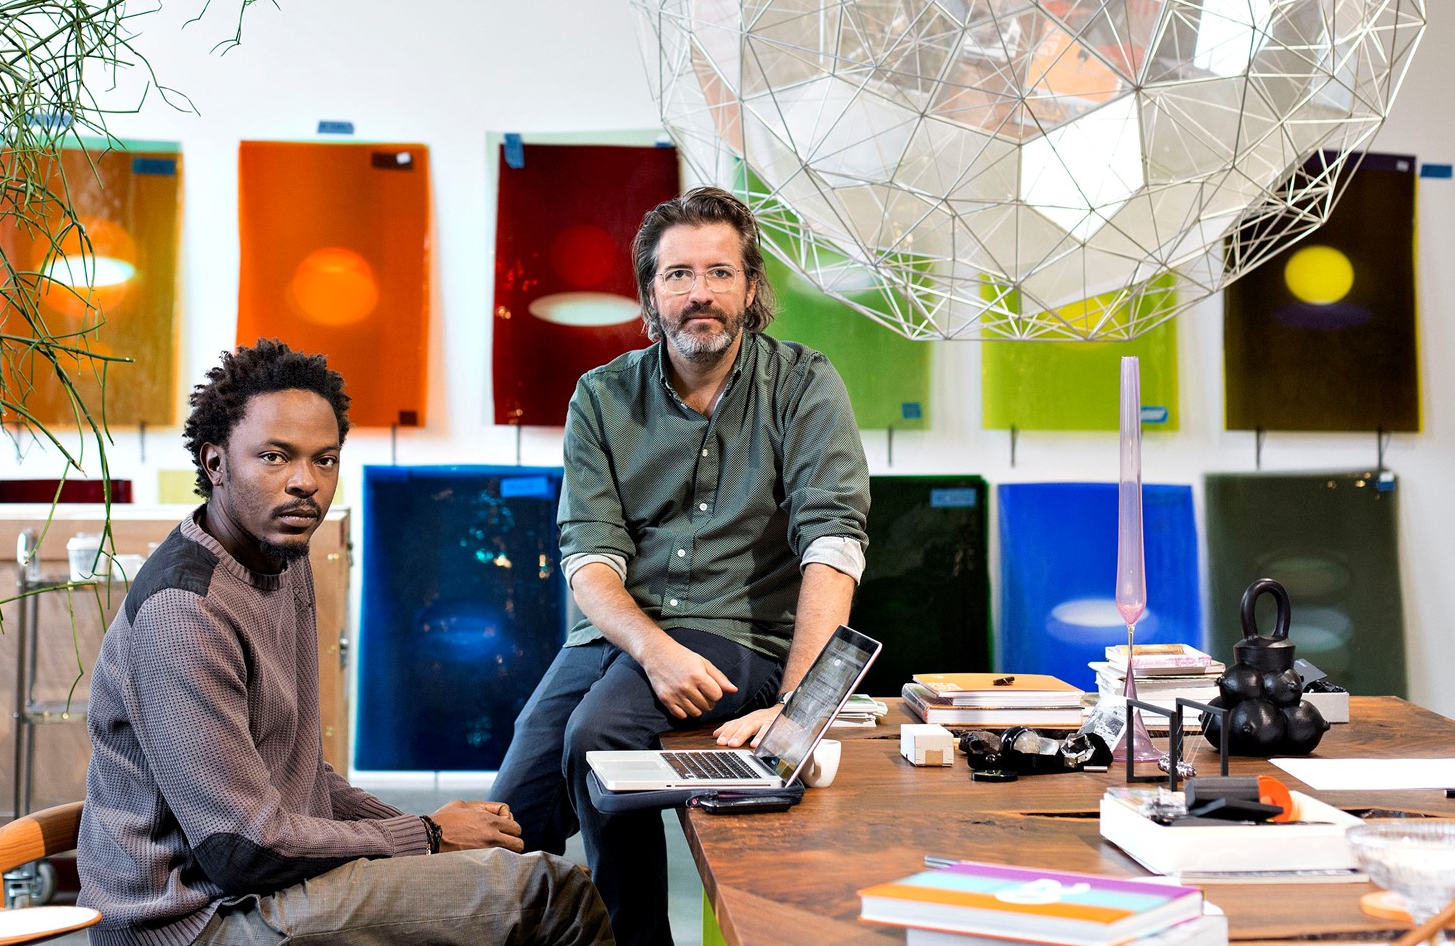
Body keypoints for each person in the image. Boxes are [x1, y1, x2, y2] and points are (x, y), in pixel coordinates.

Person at [78, 339, 611, 946]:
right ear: (215, 463)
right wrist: (430, 837)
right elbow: (240, 849)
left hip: (255, 889)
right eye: (275, 457)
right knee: (553, 893)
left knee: (517, 874)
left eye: (324, 459)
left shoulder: (283, 558)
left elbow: (303, 777)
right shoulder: (185, 610)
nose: (305, 483)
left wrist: (424, 830)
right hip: (194, 922)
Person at [491, 187, 871, 946]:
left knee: (598, 734)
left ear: (752, 287)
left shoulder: (803, 384)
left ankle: (635, 938)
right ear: (650, 292)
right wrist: (655, 651)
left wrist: (798, 708)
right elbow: (590, 560)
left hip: (741, 631)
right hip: (619, 635)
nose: (700, 293)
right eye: (678, 275)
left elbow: (832, 542)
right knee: (509, 816)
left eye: (720, 273)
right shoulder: (600, 398)